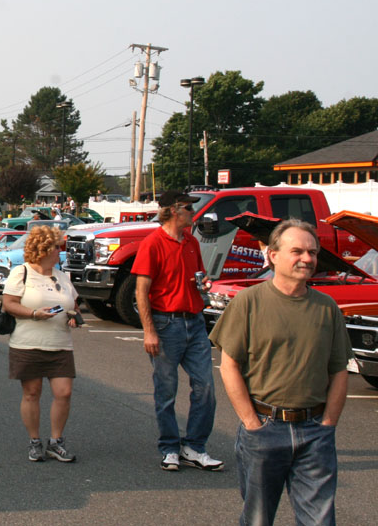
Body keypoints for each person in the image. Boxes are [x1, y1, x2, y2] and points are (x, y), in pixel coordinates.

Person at [210, 220, 351, 525]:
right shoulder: (248, 302)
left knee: (320, 521)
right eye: (297, 251)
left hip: (315, 431)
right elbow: (229, 365)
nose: (307, 258)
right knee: (258, 519)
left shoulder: (327, 308)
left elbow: (339, 370)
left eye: (312, 252)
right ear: (272, 255)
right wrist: (251, 423)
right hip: (264, 428)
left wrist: (328, 424)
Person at [132, 189, 223, 472]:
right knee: (166, 390)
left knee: (205, 386)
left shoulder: (192, 242)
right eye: (188, 208)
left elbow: (197, 276)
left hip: (195, 322)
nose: (193, 213)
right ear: (173, 210)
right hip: (165, 324)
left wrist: (203, 283)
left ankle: (194, 446)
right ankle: (170, 447)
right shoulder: (152, 244)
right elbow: (141, 291)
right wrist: (149, 331)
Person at [1, 225, 81, 463]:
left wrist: (74, 317)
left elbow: (74, 307)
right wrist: (35, 313)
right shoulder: (21, 272)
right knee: (32, 393)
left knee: (64, 393)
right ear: (44, 248)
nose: (60, 251)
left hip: (60, 344)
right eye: (57, 247)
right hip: (28, 344)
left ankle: (56, 442)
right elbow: (9, 304)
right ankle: (34, 441)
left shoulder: (62, 276)